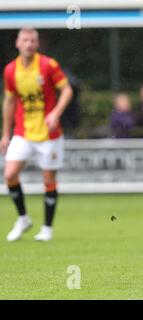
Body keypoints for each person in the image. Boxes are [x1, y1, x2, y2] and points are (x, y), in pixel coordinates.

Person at [1, 28, 73, 242]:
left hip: (49, 134)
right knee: (10, 175)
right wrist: (5, 134)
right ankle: (23, 219)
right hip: (22, 132)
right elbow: (9, 101)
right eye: (25, 40)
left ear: (37, 43)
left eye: (32, 40)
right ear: (17, 43)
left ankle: (47, 229)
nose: (29, 44)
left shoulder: (48, 65)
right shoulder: (10, 70)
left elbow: (67, 90)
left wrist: (55, 113)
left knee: (48, 179)